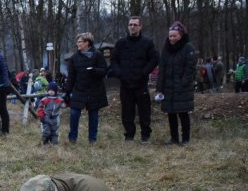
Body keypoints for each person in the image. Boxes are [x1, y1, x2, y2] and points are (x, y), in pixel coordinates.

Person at [109, 16, 159, 144]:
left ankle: (145, 135)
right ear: (128, 26)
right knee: (127, 111)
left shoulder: (147, 43)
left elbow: (154, 59)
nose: (132, 27)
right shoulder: (121, 43)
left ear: (140, 26)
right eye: (130, 24)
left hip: (141, 83)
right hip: (125, 83)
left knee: (144, 111)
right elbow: (114, 61)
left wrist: (144, 72)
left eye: (135, 24)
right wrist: (119, 73)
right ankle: (129, 135)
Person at [156, 21, 196, 146]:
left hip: (182, 87)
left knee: (183, 113)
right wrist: (160, 86)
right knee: (171, 113)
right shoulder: (166, 49)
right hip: (168, 87)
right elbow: (162, 68)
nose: (172, 38)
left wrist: (183, 82)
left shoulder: (188, 48)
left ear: (181, 35)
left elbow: (190, 68)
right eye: (170, 36)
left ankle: (185, 139)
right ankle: (174, 138)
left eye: (175, 36)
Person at [64, 32, 108, 144]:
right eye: (77, 41)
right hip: (79, 90)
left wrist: (94, 70)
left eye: (79, 42)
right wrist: (67, 91)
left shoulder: (98, 56)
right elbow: (71, 76)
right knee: (74, 114)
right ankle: (72, 139)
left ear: (87, 43)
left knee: (93, 115)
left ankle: (92, 139)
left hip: (95, 90)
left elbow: (104, 71)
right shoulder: (74, 58)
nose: (77, 44)